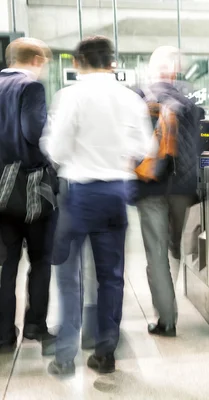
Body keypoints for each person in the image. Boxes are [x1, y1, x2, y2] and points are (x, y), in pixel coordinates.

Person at [43, 36, 153, 376]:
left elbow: (57, 150)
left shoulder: (71, 95)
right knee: (111, 278)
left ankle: (65, 357)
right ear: (112, 63)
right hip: (115, 195)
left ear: (77, 62)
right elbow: (146, 147)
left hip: (78, 196)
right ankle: (106, 353)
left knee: (68, 278)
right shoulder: (130, 98)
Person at [134, 46, 203, 338]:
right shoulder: (190, 104)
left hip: (150, 185)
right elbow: (201, 151)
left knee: (156, 254)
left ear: (152, 70)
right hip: (183, 191)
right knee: (175, 248)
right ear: (174, 72)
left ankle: (167, 318)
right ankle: (170, 300)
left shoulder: (140, 98)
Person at [0, 38, 57, 355]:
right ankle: (36, 325)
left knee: (6, 265)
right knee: (40, 259)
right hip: (31, 190)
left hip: (0, 192)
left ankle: (3, 332)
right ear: (36, 59)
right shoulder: (30, 88)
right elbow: (33, 133)